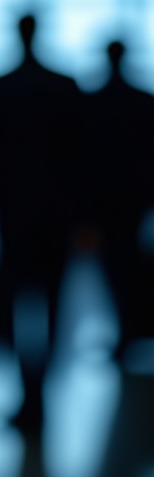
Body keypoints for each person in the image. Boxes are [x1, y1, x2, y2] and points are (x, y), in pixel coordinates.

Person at [0, 14, 85, 433]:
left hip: (14, 212)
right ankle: (39, 393)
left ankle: (26, 392)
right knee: (53, 302)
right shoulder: (64, 86)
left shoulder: (2, 86)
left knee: (14, 300)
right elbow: (81, 155)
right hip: (59, 214)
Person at [85, 40, 154, 362]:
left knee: (114, 266)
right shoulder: (142, 101)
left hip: (102, 199)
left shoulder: (94, 103)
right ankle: (134, 328)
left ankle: (129, 330)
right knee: (133, 264)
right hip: (135, 197)